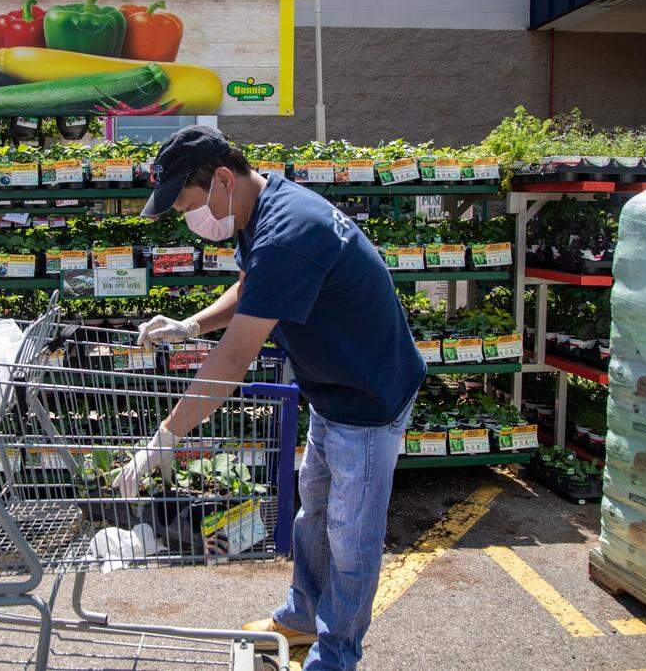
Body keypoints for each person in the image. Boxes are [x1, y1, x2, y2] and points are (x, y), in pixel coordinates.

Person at [113, 125, 426, 671]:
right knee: (315, 518)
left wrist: (164, 438)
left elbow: (232, 361)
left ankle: (337, 655)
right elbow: (251, 285)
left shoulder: (287, 231)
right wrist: (191, 325)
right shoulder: (263, 203)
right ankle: (302, 619)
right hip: (332, 388)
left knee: (352, 540)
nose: (190, 218)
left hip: (370, 398)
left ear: (222, 179)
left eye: (188, 202)